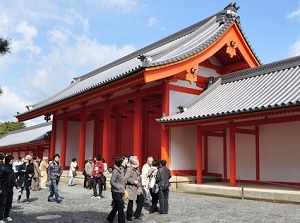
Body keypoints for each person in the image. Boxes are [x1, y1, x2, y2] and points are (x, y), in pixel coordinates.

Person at [106, 156, 126, 223]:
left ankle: (110, 218)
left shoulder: (122, 170)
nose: (125, 162)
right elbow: (112, 181)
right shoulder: (115, 171)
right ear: (120, 163)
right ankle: (121, 221)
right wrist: (119, 187)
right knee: (120, 206)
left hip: (121, 191)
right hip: (116, 191)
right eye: (123, 161)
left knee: (116, 207)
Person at [0, 155, 19, 223]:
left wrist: (16, 185)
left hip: (10, 188)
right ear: (10, 160)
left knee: (9, 203)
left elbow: (13, 178)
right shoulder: (3, 168)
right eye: (12, 160)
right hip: (4, 188)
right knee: (2, 204)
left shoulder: (11, 169)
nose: (13, 161)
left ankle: (6, 215)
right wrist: (0, 188)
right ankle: (0, 218)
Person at [125, 156, 144, 221]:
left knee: (141, 199)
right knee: (131, 202)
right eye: (136, 162)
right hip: (131, 188)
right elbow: (126, 177)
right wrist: (133, 181)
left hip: (138, 188)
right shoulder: (129, 169)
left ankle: (137, 214)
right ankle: (128, 216)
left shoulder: (137, 168)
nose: (138, 162)